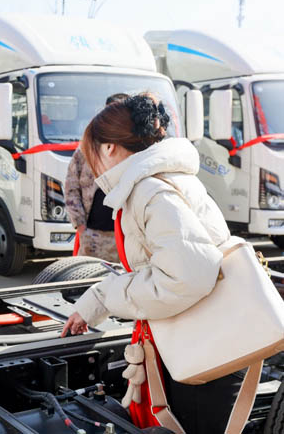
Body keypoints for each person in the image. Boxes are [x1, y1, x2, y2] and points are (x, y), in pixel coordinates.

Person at [61, 94, 242, 433]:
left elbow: (186, 278)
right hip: (208, 342)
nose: (91, 163)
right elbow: (162, 267)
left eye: (90, 152)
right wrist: (97, 300)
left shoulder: (150, 191)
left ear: (109, 148)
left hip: (204, 351)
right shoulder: (159, 179)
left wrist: (107, 295)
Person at [65, 93, 127, 262]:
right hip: (92, 236)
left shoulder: (134, 148)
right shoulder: (87, 147)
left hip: (125, 236)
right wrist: (80, 224)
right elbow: (71, 187)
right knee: (88, 275)